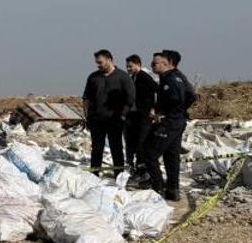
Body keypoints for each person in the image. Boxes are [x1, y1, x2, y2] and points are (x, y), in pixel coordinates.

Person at [143, 50, 197, 201]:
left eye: (155, 63)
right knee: (171, 156)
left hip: (169, 122)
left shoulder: (170, 80)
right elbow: (191, 96)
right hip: (177, 121)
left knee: (149, 153)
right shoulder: (178, 76)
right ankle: (173, 190)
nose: (152, 65)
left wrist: (163, 114)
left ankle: (158, 188)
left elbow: (176, 99)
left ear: (166, 63)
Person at [82, 49, 135, 173]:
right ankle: (94, 175)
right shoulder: (93, 77)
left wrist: (123, 116)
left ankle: (119, 175)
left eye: (100, 62)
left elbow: (130, 99)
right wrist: (86, 117)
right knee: (96, 149)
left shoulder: (123, 77)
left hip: (115, 120)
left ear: (109, 60)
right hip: (96, 120)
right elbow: (86, 99)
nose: (98, 65)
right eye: (97, 62)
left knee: (116, 149)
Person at [124, 54, 158, 171]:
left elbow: (157, 91)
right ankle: (131, 165)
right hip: (133, 115)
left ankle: (141, 169)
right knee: (130, 142)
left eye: (130, 66)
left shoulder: (145, 78)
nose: (128, 69)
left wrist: (154, 108)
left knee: (141, 143)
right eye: (127, 67)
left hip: (144, 116)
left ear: (138, 65)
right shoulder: (132, 78)